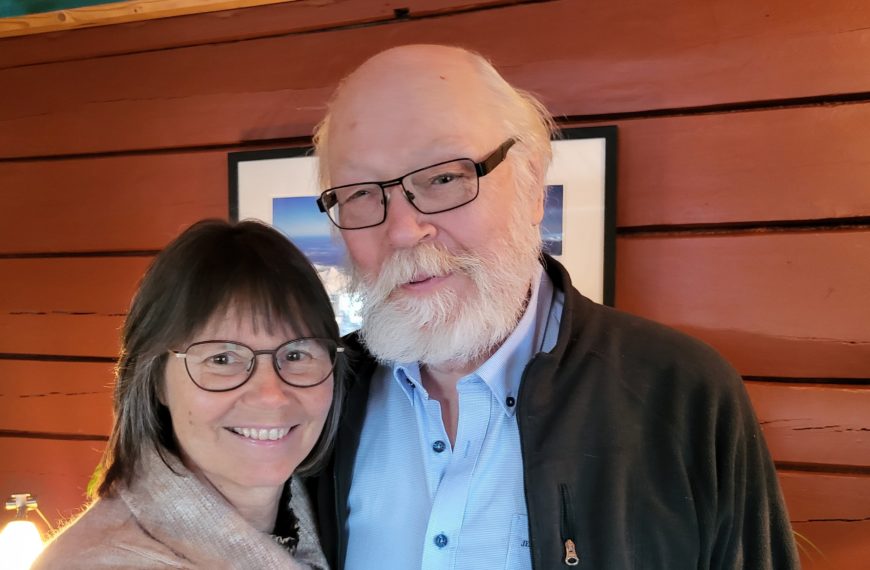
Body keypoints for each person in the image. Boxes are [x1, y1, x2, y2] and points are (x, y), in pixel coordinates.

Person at [309, 45, 799, 569]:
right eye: (360, 194)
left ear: (533, 186)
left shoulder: (682, 394)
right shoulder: (321, 398)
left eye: (445, 177)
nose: (403, 231)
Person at [34, 219, 343, 569]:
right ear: (156, 380)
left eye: (296, 355)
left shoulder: (333, 523)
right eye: (222, 359)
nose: (271, 395)